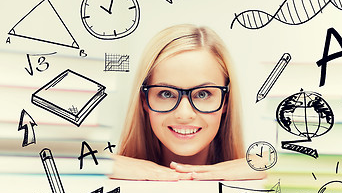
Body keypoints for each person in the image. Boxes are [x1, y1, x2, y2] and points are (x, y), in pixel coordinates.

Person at [111, 24, 266, 180]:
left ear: (225, 100)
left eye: (203, 94)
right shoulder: (104, 172)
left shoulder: (263, 176)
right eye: (166, 94)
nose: (184, 114)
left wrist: (275, 165)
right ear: (144, 100)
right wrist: (100, 164)